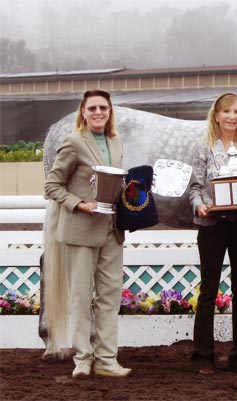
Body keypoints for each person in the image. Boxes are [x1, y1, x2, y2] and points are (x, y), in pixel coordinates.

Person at [44, 90, 131, 378]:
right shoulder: (73, 142)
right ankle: (83, 357)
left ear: (109, 112)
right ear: (83, 111)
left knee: (109, 297)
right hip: (80, 230)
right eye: (92, 108)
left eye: (103, 108)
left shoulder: (116, 141)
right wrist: (80, 205)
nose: (98, 112)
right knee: (80, 298)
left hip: (112, 230)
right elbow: (52, 186)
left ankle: (107, 358)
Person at [189, 92, 237, 374]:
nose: (232, 116)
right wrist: (200, 206)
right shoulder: (203, 148)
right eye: (227, 112)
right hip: (212, 226)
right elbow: (195, 187)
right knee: (209, 289)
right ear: (217, 115)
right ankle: (203, 357)